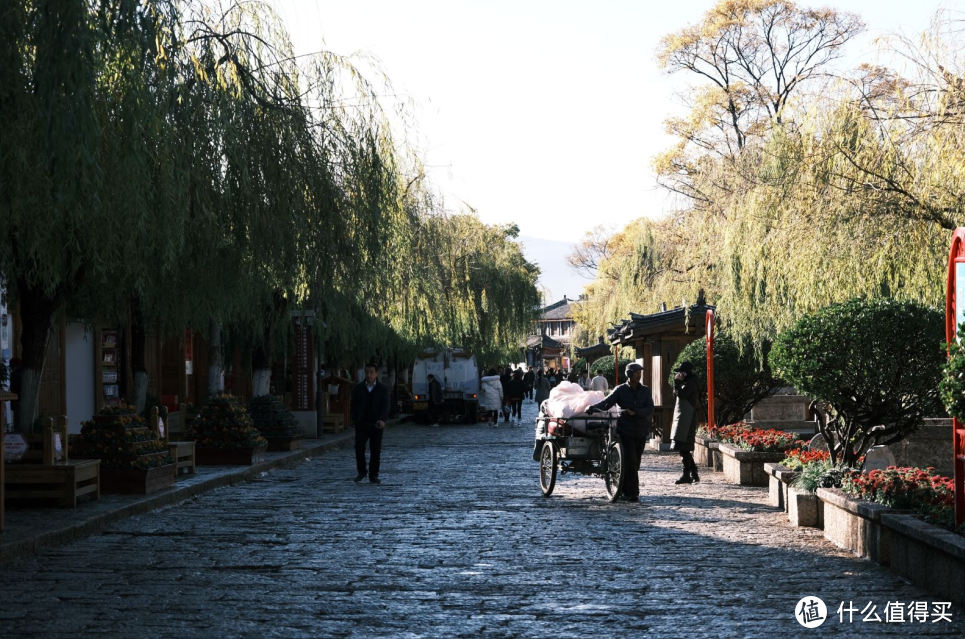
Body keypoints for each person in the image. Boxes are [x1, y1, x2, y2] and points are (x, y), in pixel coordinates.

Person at [587, 362, 654, 503]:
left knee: (636, 462)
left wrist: (635, 412)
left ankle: (624, 488)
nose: (639, 374)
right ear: (629, 374)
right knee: (631, 461)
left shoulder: (646, 391)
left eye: (640, 372)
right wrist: (593, 408)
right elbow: (607, 403)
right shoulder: (620, 390)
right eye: (636, 372)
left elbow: (650, 409)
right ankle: (633, 493)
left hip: (641, 431)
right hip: (626, 431)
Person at [350, 362, 391, 484]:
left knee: (375, 450)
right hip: (361, 424)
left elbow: (386, 405)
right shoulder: (358, 388)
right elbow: (353, 405)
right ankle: (361, 471)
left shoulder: (382, 389)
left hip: (376, 425)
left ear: (376, 373)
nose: (369, 375)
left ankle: (373, 474)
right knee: (359, 448)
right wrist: (355, 419)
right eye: (367, 372)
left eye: (371, 372)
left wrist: (382, 419)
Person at [670, 361, 701, 484]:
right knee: (683, 447)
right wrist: (677, 384)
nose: (678, 375)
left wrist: (677, 383)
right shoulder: (686, 383)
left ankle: (687, 474)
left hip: (687, 419)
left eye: (680, 372)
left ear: (685, 373)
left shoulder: (691, 383)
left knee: (684, 447)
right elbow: (677, 394)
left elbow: (682, 395)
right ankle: (693, 473)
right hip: (683, 418)